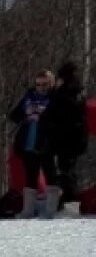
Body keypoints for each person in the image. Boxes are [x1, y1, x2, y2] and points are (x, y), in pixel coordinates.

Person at [8, 70, 56, 219]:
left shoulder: (55, 97)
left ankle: (50, 210)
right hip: (29, 138)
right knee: (30, 174)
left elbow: (59, 118)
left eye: (44, 84)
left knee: (50, 173)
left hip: (47, 140)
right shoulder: (29, 96)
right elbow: (14, 115)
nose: (40, 87)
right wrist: (26, 113)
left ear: (51, 83)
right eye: (38, 84)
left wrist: (43, 115)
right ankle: (28, 209)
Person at [43, 60, 88, 212]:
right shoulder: (77, 90)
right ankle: (68, 198)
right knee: (66, 168)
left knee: (66, 169)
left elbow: (60, 112)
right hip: (73, 136)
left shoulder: (68, 91)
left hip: (66, 136)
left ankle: (70, 200)